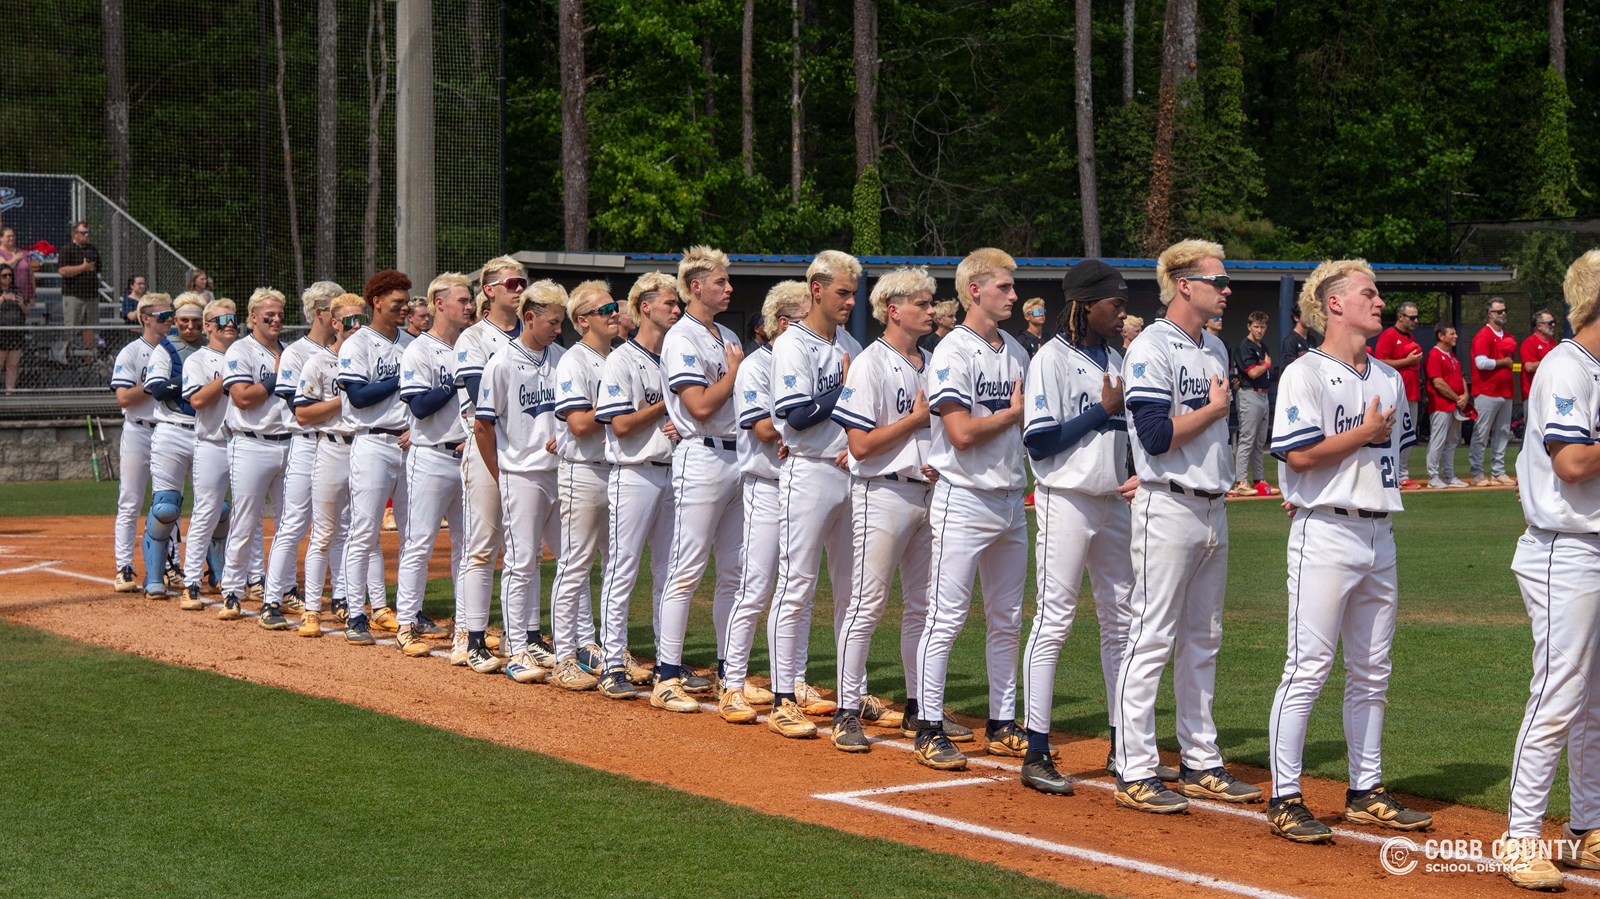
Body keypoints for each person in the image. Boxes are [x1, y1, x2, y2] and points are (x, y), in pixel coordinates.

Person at [1264, 258, 1427, 844]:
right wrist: (1361, 434)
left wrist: (1360, 452)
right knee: (1308, 667)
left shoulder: (1388, 377)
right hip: (1327, 532)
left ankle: (1365, 790)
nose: (1380, 302)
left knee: (1373, 671)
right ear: (1334, 304)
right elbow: (1297, 455)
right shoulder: (1304, 372)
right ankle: (1285, 797)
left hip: (1379, 531)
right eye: (1368, 293)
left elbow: (1393, 459)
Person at [1116, 239, 1257, 814]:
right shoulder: (1151, 346)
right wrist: (1213, 411)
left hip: (1212, 505)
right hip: (1168, 504)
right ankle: (1135, 767)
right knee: (1151, 636)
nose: (1226, 289)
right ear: (1183, 285)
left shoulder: (1215, 346)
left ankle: (1200, 760)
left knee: (1204, 638)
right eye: (1216, 281)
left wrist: (1211, 417)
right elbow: (1153, 436)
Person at [1494, 249, 1600, 891]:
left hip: (1590, 545)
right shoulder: (1565, 365)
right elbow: (1573, 464)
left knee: (1594, 700)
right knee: (1559, 694)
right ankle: (1520, 835)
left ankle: (1587, 827)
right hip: (1565, 548)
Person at [1017, 259, 1139, 794]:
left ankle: (1123, 745)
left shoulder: (1117, 358)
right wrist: (1101, 410)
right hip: (1065, 499)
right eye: (1115, 304)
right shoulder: (1050, 358)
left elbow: (1126, 435)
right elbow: (1040, 440)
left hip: (1112, 502)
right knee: (1054, 621)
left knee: (1121, 624)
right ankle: (1036, 750)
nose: (1122, 313)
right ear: (1087, 305)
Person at [910, 247, 1029, 771]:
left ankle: (1002, 723)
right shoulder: (952, 350)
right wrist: (1012, 415)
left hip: (1010, 497)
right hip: (964, 497)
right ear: (974, 291)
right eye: (1004, 286)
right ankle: (928, 726)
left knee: (1007, 618)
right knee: (946, 616)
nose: (1014, 295)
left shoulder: (1016, 350)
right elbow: (959, 433)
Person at [829, 266, 938, 752]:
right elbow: (859, 444)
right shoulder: (870, 362)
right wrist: (914, 422)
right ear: (894, 310)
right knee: (867, 604)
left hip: (928, 493)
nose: (931, 310)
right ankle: (846, 710)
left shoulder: (933, 361)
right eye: (922, 303)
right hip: (883, 493)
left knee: (924, 607)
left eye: (930, 302)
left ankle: (919, 707)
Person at [765, 250, 865, 739]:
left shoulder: (850, 343)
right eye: (843, 292)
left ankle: (852, 695)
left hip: (850, 472)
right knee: (796, 584)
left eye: (854, 293)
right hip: (807, 472)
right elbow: (797, 416)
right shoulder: (792, 343)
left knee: (853, 591)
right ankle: (783, 697)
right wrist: (842, 388)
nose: (850, 301)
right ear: (817, 290)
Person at [652, 246, 747, 715]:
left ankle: (731, 673)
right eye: (720, 281)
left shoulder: (725, 333)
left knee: (735, 571)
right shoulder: (680, 337)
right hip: (702, 454)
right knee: (686, 568)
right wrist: (735, 372)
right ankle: (667, 675)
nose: (728, 288)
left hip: (738, 455)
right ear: (696, 286)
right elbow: (701, 406)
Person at [477, 279, 581, 684]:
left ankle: (574, 644)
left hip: (562, 472)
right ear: (530, 317)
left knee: (569, 559)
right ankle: (517, 648)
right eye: (552, 322)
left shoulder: (563, 358)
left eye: (560, 321)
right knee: (521, 563)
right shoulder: (502, 362)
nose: (558, 328)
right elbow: (483, 426)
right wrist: (501, 474)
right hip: (521, 473)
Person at [718, 281, 808, 717]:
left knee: (800, 590)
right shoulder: (756, 365)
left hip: (803, 484)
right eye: (804, 317)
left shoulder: (811, 359)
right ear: (784, 322)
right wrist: (805, 420)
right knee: (754, 588)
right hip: (766, 485)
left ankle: (795, 682)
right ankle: (732, 682)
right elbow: (763, 429)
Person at [594, 272, 682, 702]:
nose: (677, 309)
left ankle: (669, 663)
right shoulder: (622, 359)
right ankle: (612, 663)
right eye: (669, 302)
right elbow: (621, 425)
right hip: (634, 473)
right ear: (644, 307)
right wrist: (669, 405)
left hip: (674, 472)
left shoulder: (676, 356)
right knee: (622, 569)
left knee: (670, 571)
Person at [392, 274, 475, 658]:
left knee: (468, 546)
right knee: (420, 543)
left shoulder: (473, 345)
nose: (469, 306)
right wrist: (454, 382)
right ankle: (406, 623)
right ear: (439, 304)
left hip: (469, 457)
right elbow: (420, 407)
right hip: (430, 456)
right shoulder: (419, 350)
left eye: (470, 299)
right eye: (462, 300)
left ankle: (466, 627)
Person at [550, 281, 627, 683]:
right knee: (575, 564)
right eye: (605, 310)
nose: (615, 314)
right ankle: (565, 655)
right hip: (582, 471)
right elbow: (579, 424)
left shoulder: (621, 356)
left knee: (617, 567)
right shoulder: (574, 361)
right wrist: (618, 406)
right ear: (582, 320)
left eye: (615, 307)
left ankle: (612, 651)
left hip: (619, 470)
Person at [454, 256, 527, 673]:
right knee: (482, 546)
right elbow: (482, 396)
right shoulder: (474, 338)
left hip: (527, 453)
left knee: (524, 549)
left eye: (522, 283)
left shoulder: (532, 335)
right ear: (489, 290)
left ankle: (523, 637)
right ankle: (470, 637)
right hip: (487, 448)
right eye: (511, 283)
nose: (519, 289)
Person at [337, 271, 413, 643]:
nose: (405, 308)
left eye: (407, 302)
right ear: (377, 302)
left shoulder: (411, 343)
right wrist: (402, 378)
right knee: (364, 532)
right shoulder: (358, 344)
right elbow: (359, 396)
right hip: (371, 443)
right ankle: (355, 614)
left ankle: (411, 613)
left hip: (410, 444)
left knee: (414, 534)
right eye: (398, 302)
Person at [292, 293, 369, 634]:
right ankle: (312, 610)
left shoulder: (371, 358)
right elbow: (303, 414)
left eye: (361, 319)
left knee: (363, 533)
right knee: (323, 533)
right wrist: (344, 400)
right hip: (332, 448)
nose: (357, 326)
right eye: (350, 320)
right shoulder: (319, 362)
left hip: (365, 447)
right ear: (335, 323)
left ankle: (356, 606)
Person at [217, 287, 294, 628]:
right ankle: (232, 591)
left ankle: (285, 588)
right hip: (251, 442)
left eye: (279, 314)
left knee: (290, 522)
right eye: (268, 315)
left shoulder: (289, 352)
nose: (276, 320)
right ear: (252, 318)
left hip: (289, 443)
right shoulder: (241, 350)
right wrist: (276, 379)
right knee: (245, 520)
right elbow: (243, 398)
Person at [267, 282, 344, 614]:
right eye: (335, 310)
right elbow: (296, 407)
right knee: (294, 522)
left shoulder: (348, 350)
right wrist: (340, 404)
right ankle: (272, 599)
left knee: (341, 525)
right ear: (320, 313)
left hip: (339, 447)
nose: (342, 317)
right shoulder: (296, 353)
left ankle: (342, 598)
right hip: (306, 444)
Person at [139, 292, 206, 597]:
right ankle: (154, 576)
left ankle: (218, 574)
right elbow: (156, 389)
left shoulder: (214, 349)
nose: (190, 327)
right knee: (166, 508)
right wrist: (191, 381)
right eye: (184, 321)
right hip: (172, 431)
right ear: (175, 321)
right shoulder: (165, 349)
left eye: (196, 322)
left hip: (207, 432)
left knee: (218, 509)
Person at [180, 297, 239, 610]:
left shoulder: (245, 352)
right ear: (208, 326)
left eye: (233, 319)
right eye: (222, 320)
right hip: (212, 443)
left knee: (246, 516)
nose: (230, 325)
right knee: (207, 513)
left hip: (245, 444)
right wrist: (228, 375)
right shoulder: (198, 359)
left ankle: (246, 580)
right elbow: (198, 401)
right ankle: (191, 582)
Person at [109, 292, 170, 591]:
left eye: (171, 315)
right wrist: (155, 385)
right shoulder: (132, 352)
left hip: (169, 432)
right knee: (130, 500)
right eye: (163, 316)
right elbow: (123, 397)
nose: (170, 320)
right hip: (138, 430)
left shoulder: (175, 351)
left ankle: (169, 565)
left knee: (168, 502)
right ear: (145, 318)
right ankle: (124, 567)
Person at [1374, 301, 1425, 488]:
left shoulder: (1410, 336)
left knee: (1408, 434)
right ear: (1400, 317)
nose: (1416, 320)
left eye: (1416, 317)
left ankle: (1403, 473)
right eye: (1412, 317)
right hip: (1393, 393)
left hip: (1411, 391)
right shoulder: (1388, 335)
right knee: (1392, 433)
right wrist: (1407, 361)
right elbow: (1380, 362)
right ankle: (1394, 473)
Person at [1469, 296, 1518, 486]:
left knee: (1503, 432)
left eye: (1505, 310)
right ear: (1490, 314)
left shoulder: (1508, 336)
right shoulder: (1484, 335)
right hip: (1487, 390)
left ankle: (1498, 471)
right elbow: (1480, 363)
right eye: (1499, 311)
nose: (1503, 314)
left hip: (1505, 390)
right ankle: (1477, 473)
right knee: (1481, 433)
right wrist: (1502, 362)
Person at [1231, 310, 1276, 497]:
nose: (1259, 330)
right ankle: (1241, 481)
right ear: (1249, 326)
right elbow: (1252, 373)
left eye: (1262, 327)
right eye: (1256, 326)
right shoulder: (1245, 346)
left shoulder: (1263, 346)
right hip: (1249, 393)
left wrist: (1264, 367)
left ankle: (1259, 480)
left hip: (1263, 394)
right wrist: (1265, 365)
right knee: (1247, 439)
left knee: (1259, 441)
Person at [1424, 324, 1470, 489]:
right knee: (1438, 440)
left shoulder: (1452, 356)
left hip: (1454, 405)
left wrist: (1465, 395)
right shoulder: (1434, 355)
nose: (1455, 336)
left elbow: (1460, 377)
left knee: (1452, 442)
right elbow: (1438, 383)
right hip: (1441, 405)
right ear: (1441, 336)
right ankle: (1433, 476)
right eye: (1452, 333)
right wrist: (1458, 398)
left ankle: (1449, 475)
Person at [57, 221, 100, 353]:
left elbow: (97, 268)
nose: (86, 235)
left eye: (88, 233)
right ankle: (68, 355)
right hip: (74, 296)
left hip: (91, 296)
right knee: (71, 327)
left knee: (90, 327)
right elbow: (63, 271)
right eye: (83, 233)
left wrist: (90, 268)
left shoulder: (92, 249)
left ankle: (88, 357)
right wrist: (83, 267)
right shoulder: (67, 249)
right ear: (75, 234)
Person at [0, 264, 31, 393]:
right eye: (4, 276)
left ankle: (9, 392)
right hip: (1, 333)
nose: (7, 278)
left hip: (16, 333)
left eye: (10, 275)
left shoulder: (17, 292)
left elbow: (27, 311)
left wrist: (22, 304)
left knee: (12, 365)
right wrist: (3, 298)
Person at [1520, 309, 1559, 402]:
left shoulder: (1554, 343)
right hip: (1534, 395)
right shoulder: (1529, 342)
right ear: (1539, 326)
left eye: (1554, 322)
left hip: (1551, 394)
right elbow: (1529, 367)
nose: (1553, 325)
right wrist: (1550, 361)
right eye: (1550, 323)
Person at [0, 227, 35, 308]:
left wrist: (32, 295)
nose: (11, 238)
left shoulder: (23, 253)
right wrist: (16, 259)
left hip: (23, 295)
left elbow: (31, 275)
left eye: (13, 236)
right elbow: (4, 268)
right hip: (5, 296)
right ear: (1, 238)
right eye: (8, 236)